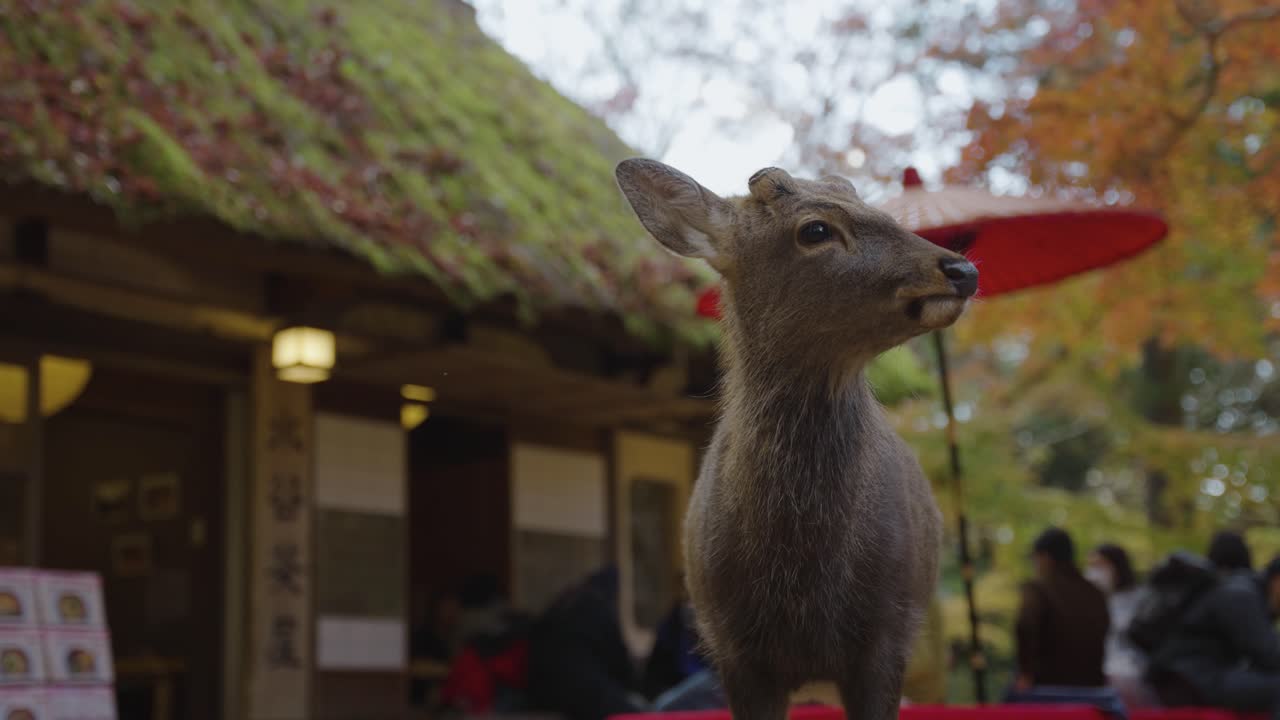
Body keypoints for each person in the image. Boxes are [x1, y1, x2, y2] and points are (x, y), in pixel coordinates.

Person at [1145, 531, 1280, 718]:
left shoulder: (1241, 589)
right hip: (1190, 682)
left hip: (1193, 678)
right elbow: (1268, 654)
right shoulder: (1240, 594)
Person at [526, 566, 645, 720]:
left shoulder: (563, 602)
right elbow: (619, 662)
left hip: (543, 691)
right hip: (582, 691)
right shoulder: (598, 608)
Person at [1013, 527, 1110, 691]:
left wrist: (1026, 673)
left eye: (1035, 559)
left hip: (1046, 686)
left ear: (1046, 558)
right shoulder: (1095, 593)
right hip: (1092, 686)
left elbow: (1025, 626)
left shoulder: (1039, 589)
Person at [1085, 543, 1154, 707]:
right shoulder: (1088, 605)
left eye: (1100, 565)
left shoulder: (1141, 600)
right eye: (1091, 566)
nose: (1093, 572)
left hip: (1134, 680)